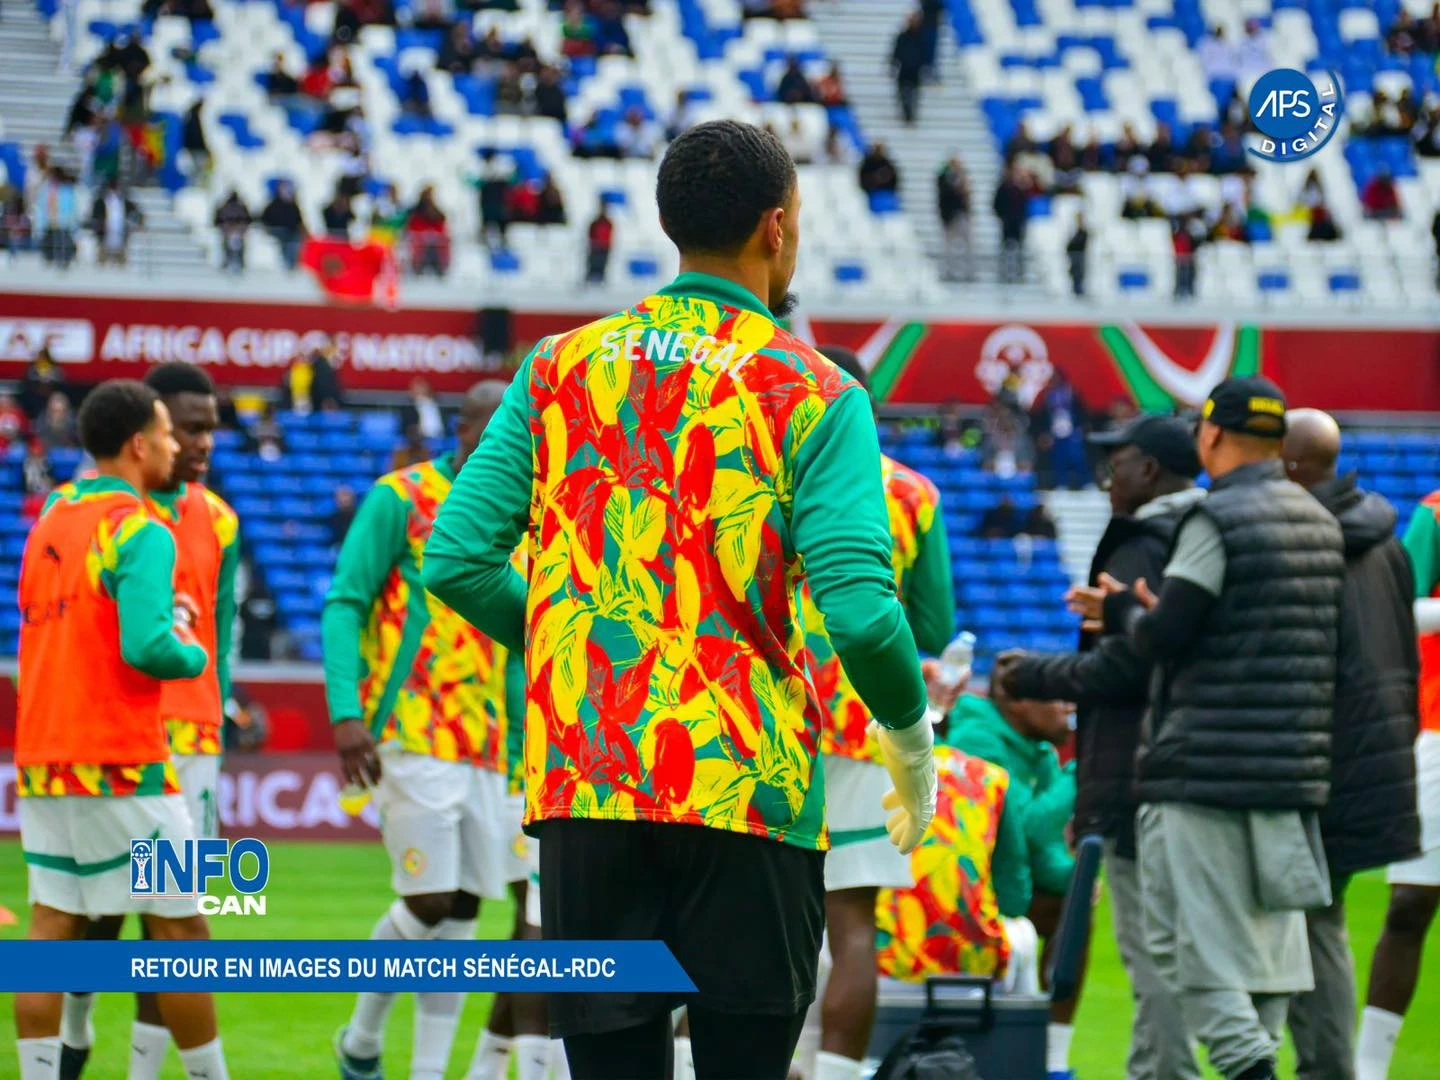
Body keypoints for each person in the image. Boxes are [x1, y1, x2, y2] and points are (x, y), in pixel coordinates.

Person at [422, 120, 937, 1079]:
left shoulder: (559, 368)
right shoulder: (815, 391)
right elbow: (864, 613)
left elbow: (456, 559)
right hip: (747, 783)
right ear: (776, 227)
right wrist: (910, 742)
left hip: (591, 778)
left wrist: (583, 643)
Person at [1077, 377, 1345, 1080]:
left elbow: (1168, 632)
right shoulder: (1320, 520)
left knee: (1190, 954)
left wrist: (1126, 615)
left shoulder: (1216, 519)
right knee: (1273, 954)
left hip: (1204, 773)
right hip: (1292, 772)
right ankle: (1262, 1054)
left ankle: (1250, 1069)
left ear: (1212, 435)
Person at [13, 379, 227, 1080]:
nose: (173, 447)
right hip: (121, 758)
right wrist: (192, 647)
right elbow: (149, 648)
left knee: (52, 923)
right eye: (166, 434)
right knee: (181, 926)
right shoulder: (141, 529)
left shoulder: (52, 515)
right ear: (139, 444)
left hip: (44, 756)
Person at [994, 414, 1205, 1080]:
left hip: (1139, 768)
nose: (1110, 473)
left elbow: (1129, 665)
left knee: (1155, 953)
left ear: (1153, 469)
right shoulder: (1198, 532)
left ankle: (1164, 1072)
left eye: (1123, 460)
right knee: (1179, 949)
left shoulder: (1145, 542)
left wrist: (1032, 675)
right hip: (1188, 762)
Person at [326, 383, 523, 1080]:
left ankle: (426, 1072)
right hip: (410, 727)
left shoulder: (523, 508)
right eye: (488, 422)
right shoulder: (402, 497)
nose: (502, 434)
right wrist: (345, 710)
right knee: (428, 899)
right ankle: (359, 1035)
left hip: (494, 745)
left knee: (465, 909)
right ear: (461, 425)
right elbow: (346, 600)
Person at [794, 348, 955, 1080]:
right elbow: (932, 621)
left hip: (756, 712)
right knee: (851, 924)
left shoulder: (762, 460)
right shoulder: (913, 491)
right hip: (863, 719)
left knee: (737, 913)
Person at [1277, 411, 1421, 1080]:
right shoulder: (1402, 537)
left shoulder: (1300, 541)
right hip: (1376, 754)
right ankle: (1338, 1068)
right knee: (1320, 921)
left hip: (1308, 758)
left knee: (1280, 921)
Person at [947, 687, 1080, 1079]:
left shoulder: (1038, 751)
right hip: (963, 897)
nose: (1068, 706)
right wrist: (1081, 771)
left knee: (1071, 908)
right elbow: (1027, 828)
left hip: (995, 888)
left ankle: (1053, 1056)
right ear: (1022, 702)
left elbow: (1044, 848)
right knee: (1028, 923)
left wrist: (1075, 877)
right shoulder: (978, 743)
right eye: (1057, 695)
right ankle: (1015, 1056)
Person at [1355, 483, 1440, 1080]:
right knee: (1410, 904)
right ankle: (1368, 1069)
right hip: (1437, 733)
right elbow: (1397, 607)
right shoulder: (1435, 514)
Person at [875, 737, 1039, 995]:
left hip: (878, 964)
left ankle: (817, 1035)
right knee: (1024, 931)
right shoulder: (991, 778)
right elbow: (1015, 899)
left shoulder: (869, 766)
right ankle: (1028, 1033)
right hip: (976, 970)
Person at [90, 177, 142, 266]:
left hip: (120, 236)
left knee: (121, 264)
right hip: (105, 236)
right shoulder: (101, 202)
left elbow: (137, 214)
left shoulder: (124, 202)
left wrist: (133, 225)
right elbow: (94, 216)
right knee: (101, 264)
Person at [937, 157, 972, 282]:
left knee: (967, 245)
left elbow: (967, 196)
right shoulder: (944, 179)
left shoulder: (963, 179)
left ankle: (967, 272)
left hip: (961, 214)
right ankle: (948, 271)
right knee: (948, 247)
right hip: (949, 216)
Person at [994, 164, 1029, 284]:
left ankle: (1019, 273)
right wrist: (1002, 217)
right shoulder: (1004, 187)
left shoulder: (1023, 188)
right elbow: (996, 203)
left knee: (1019, 249)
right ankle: (1004, 273)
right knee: (1005, 248)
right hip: (1007, 222)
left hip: (1019, 222)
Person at [891, 10, 927, 125]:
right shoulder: (902, 36)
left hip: (915, 70)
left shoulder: (921, 37)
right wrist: (893, 63)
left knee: (913, 94)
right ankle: (906, 113)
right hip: (904, 69)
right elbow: (896, 52)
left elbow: (924, 53)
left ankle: (911, 114)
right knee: (902, 92)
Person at [261, 180, 305, 269]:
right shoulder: (272, 205)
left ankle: (293, 263)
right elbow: (264, 220)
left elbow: (299, 221)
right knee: (286, 241)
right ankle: (287, 262)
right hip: (278, 232)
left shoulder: (293, 206)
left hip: (292, 232)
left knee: (295, 242)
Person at [213, 190, 250, 273]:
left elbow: (217, 221)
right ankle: (238, 262)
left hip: (234, 232)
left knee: (231, 246)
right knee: (231, 246)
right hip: (232, 232)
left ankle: (229, 261)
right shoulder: (241, 207)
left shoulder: (224, 207)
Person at [400, 377, 445, 442]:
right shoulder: (407, 408)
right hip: (418, 440)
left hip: (441, 437)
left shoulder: (439, 404)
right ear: (411, 391)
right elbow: (406, 428)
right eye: (417, 388)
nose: (420, 390)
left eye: (422, 387)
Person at [584, 203, 613, 284]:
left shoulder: (609, 223)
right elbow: (590, 233)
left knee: (602, 265)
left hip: (604, 247)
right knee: (593, 264)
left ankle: (601, 280)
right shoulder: (595, 222)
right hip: (596, 246)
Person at [1067, 214, 1089, 297]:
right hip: (1074, 254)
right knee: (1075, 272)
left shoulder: (1083, 231)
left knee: (1079, 272)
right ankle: (1076, 289)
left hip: (1079, 254)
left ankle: (1079, 289)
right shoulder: (1073, 230)